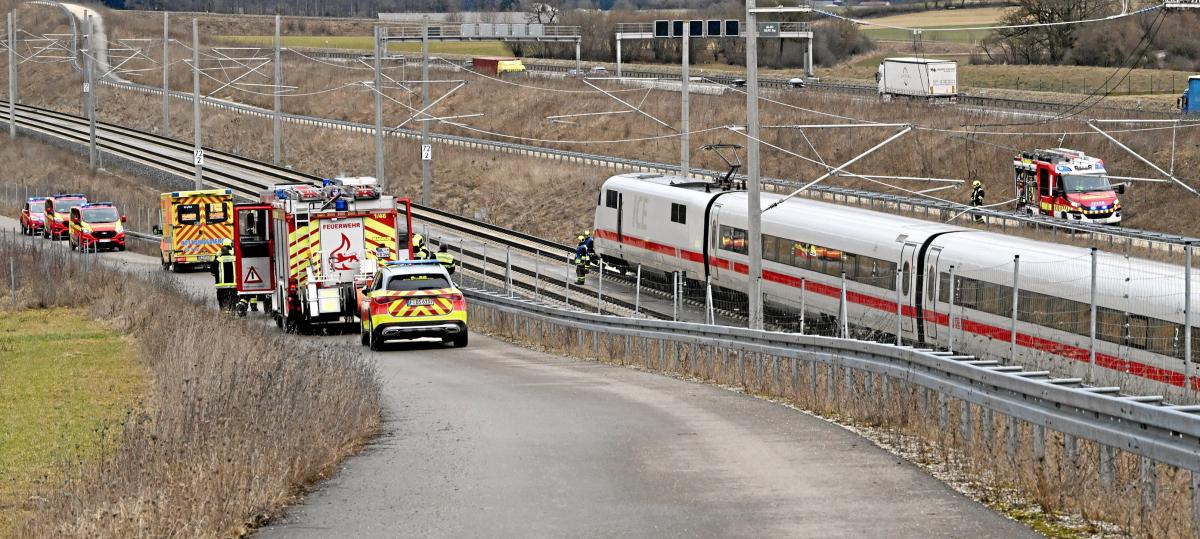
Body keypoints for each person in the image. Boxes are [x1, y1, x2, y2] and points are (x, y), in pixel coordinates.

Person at [211, 239, 237, 311]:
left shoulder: (217, 258)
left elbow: (213, 272)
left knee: (222, 301)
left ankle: (224, 312)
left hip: (221, 285)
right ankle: (232, 311)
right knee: (233, 301)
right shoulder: (235, 257)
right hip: (233, 284)